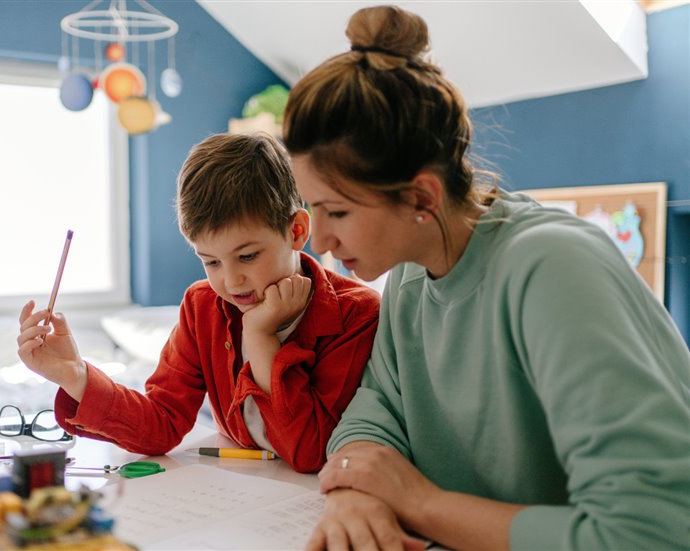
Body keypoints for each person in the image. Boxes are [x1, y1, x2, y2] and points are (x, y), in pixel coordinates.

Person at [282, 5, 690, 549]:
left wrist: (417, 501)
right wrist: (356, 493)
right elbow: (373, 411)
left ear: (421, 197)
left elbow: (648, 534)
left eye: (337, 212)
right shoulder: (409, 275)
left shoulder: (552, 270)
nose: (323, 242)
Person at [16, 132, 380, 474]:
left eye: (248, 256)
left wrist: (260, 338)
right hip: (236, 495)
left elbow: (310, 452)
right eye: (211, 262)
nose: (231, 281)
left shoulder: (356, 313)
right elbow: (162, 423)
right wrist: (75, 375)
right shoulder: (202, 305)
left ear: (297, 230)